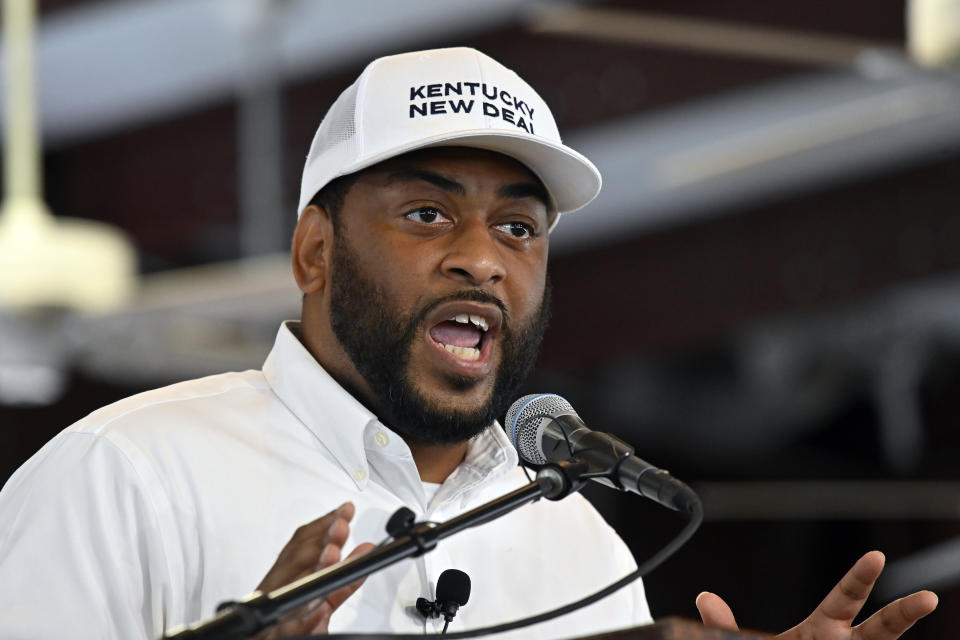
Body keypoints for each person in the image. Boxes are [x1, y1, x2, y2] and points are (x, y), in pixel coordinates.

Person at [0, 47, 938, 640]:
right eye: (427, 213)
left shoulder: (584, 550)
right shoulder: (122, 475)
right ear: (315, 252)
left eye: (520, 230)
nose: (483, 261)